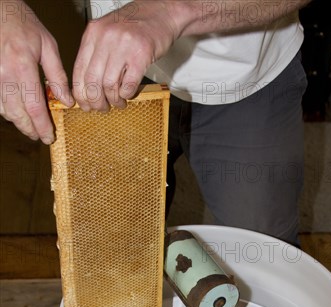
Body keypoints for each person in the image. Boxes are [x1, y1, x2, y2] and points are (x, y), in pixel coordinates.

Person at [0, 0, 311, 244]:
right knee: (118, 242)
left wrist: (171, 11)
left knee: (263, 252)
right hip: (120, 71)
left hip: (249, 79)